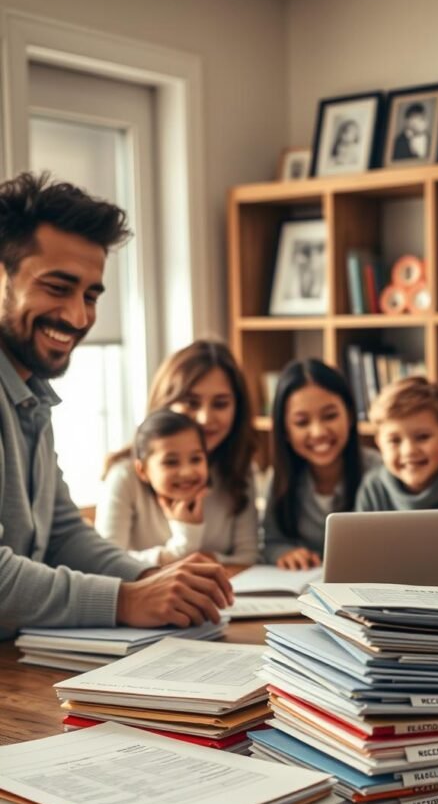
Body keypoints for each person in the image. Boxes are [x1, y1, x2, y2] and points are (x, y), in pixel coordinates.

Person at [0, 171, 232, 639]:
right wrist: (127, 600)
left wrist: (151, 580)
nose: (79, 316)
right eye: (57, 287)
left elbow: (63, 534)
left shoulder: (31, 396)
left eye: (90, 295)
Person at [96, 339, 258, 566]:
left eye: (220, 404)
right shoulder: (124, 476)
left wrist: (203, 560)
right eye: (191, 403)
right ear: (165, 403)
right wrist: (179, 557)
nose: (205, 419)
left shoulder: (240, 469)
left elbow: (248, 556)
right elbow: (105, 563)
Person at [262, 358, 380, 568]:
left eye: (330, 416)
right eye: (301, 422)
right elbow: (271, 541)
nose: (318, 432)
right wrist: (285, 552)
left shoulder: (379, 471)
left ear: (350, 415)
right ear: (285, 431)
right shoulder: (280, 477)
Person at [107, 408, 211, 566]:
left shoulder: (211, 491)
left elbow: (246, 557)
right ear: (142, 470)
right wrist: (182, 545)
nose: (187, 472)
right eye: (171, 462)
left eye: (196, 459)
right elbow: (107, 562)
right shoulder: (121, 478)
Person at [355, 376, 438, 512]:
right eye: (394, 440)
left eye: (422, 437)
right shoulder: (373, 489)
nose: (409, 450)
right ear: (379, 444)